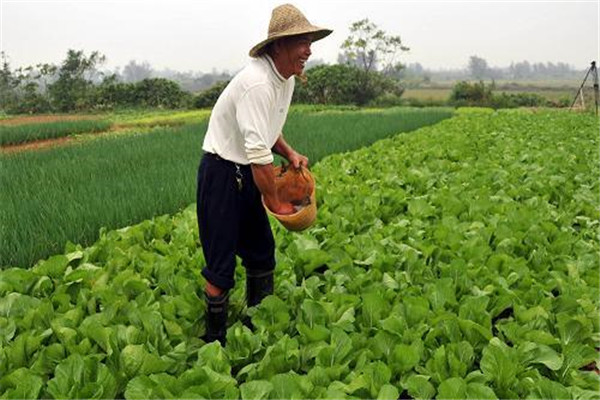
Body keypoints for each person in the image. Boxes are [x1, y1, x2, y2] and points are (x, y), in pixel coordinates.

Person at [196, 4, 332, 345]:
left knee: (261, 251)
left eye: (310, 40)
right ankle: (215, 342)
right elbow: (258, 155)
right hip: (223, 172)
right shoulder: (257, 83)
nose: (309, 49)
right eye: (301, 41)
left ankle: (259, 324)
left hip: (248, 170)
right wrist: (274, 202)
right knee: (220, 263)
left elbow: (267, 131)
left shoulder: (285, 78)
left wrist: (289, 153)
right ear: (278, 46)